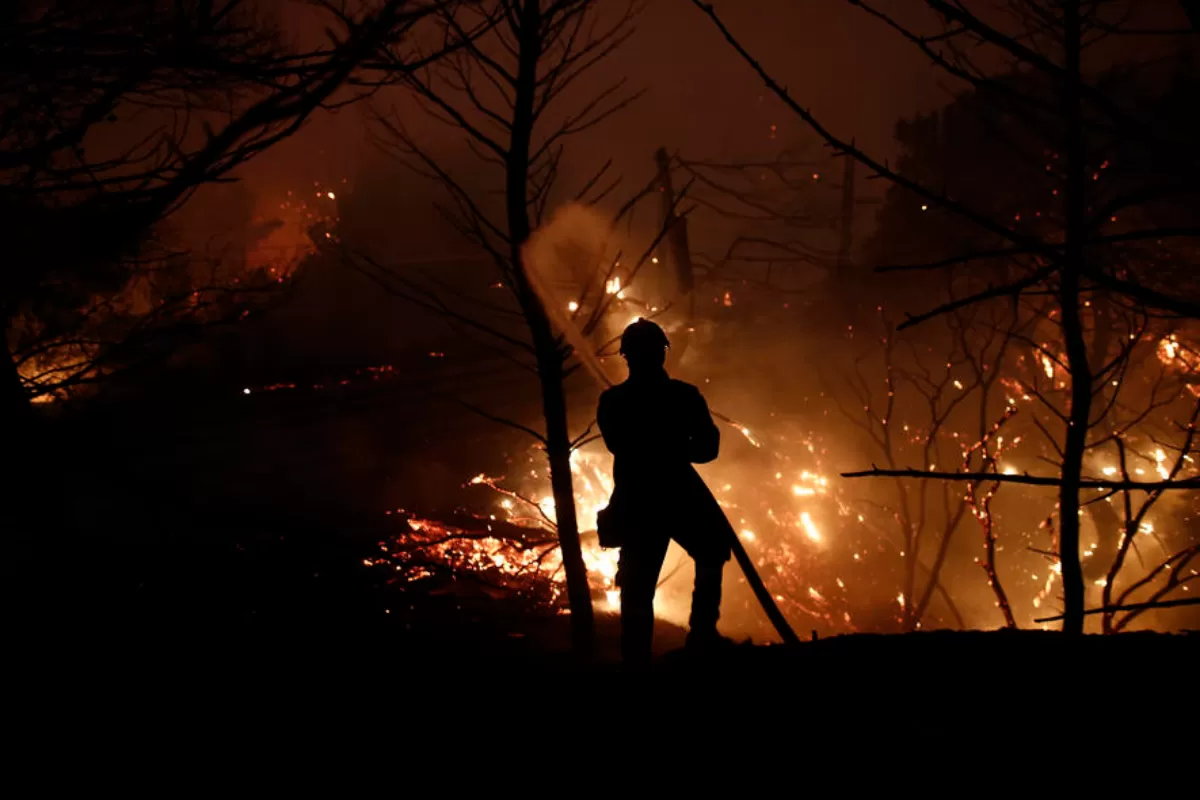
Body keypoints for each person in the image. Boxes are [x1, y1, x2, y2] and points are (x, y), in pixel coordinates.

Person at [597, 318, 734, 666]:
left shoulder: (619, 401)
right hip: (658, 497)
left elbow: (708, 447)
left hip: (654, 498)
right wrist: (674, 446)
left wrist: (673, 449)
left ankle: (695, 638)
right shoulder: (676, 397)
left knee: (710, 550)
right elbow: (624, 446)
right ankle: (685, 642)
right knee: (644, 582)